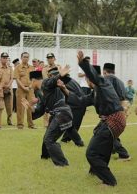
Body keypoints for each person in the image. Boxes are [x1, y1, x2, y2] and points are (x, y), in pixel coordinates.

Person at [66, 51, 126, 186]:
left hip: (114, 120)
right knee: (100, 141)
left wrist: (83, 63)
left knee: (91, 153)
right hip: (114, 120)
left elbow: (95, 76)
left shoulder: (103, 83)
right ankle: (94, 171)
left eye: (88, 79)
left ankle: (110, 181)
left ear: (89, 79)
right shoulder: (95, 92)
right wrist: (64, 89)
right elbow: (80, 101)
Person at [22, 68, 72, 166]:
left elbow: (52, 81)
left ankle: (62, 163)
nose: (30, 86)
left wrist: (60, 75)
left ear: (33, 80)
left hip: (62, 114)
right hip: (59, 114)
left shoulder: (45, 83)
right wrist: (30, 108)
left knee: (49, 139)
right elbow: (41, 109)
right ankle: (45, 157)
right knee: (47, 137)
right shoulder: (40, 92)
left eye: (30, 83)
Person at [103, 63, 131, 161]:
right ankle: (112, 149)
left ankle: (124, 154)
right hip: (123, 107)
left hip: (114, 109)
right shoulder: (120, 81)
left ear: (105, 71)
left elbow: (108, 94)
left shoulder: (108, 79)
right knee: (112, 132)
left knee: (107, 132)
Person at [14, 52, 35, 129]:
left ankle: (31, 124)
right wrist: (23, 87)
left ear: (29, 58)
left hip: (30, 89)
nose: (26, 58)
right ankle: (20, 125)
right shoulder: (17, 67)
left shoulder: (32, 67)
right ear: (21, 58)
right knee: (21, 107)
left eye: (27, 57)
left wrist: (29, 86)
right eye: (24, 57)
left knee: (30, 106)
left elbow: (33, 78)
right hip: (21, 89)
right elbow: (17, 79)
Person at [42, 53, 59, 128]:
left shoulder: (58, 67)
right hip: (48, 90)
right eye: (48, 58)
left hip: (57, 89)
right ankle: (46, 123)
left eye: (51, 58)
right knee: (47, 107)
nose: (50, 59)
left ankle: (55, 121)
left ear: (54, 58)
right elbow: (46, 79)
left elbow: (60, 77)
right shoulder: (45, 68)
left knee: (57, 106)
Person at [0, 52, 13, 125]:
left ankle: (9, 120)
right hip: (0, 89)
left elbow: (11, 78)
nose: (5, 59)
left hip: (8, 89)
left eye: (6, 58)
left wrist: (8, 85)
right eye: (3, 58)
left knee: (9, 107)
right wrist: (2, 86)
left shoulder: (10, 68)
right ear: (1, 58)